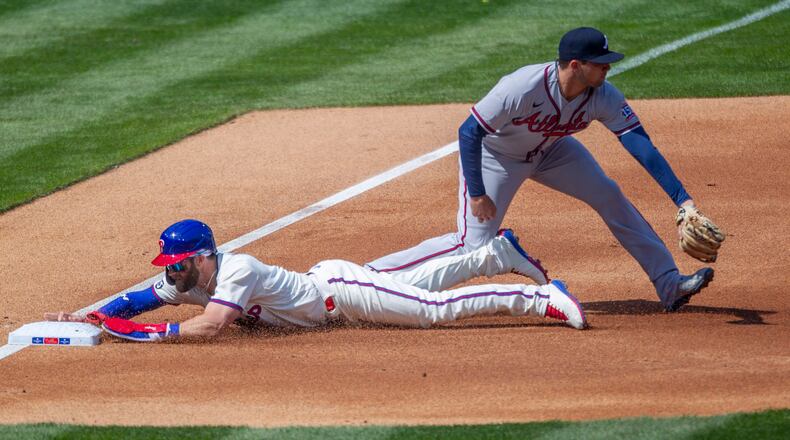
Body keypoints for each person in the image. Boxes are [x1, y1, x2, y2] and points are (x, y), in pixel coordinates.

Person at [365, 27, 719, 312]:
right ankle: (374, 277)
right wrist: (477, 192)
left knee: (608, 194)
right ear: (576, 65)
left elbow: (640, 145)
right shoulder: (522, 86)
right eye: (601, 63)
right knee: (473, 246)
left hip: (553, 151)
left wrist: (683, 201)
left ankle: (669, 283)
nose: (608, 68)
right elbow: (469, 131)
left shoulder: (603, 95)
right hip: (497, 158)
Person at [45, 219, 586, 342]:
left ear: (202, 257)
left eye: (176, 264)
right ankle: (493, 253)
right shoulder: (188, 278)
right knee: (417, 283)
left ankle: (537, 298)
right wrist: (86, 315)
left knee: (430, 310)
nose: (169, 273)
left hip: (340, 291)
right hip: (331, 290)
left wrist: (141, 335)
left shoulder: (236, 269)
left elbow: (210, 327)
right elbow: (138, 298)